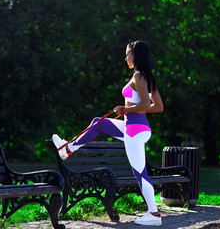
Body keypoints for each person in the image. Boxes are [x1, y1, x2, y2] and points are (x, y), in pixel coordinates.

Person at [52, 40, 164, 226]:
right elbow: (157, 106)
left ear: (135, 55)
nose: (125, 57)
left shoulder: (138, 76)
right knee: (98, 123)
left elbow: (146, 104)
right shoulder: (147, 77)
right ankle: (67, 149)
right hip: (134, 128)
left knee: (140, 173)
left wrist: (124, 110)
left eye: (128, 53)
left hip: (134, 131)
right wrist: (131, 112)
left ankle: (154, 215)